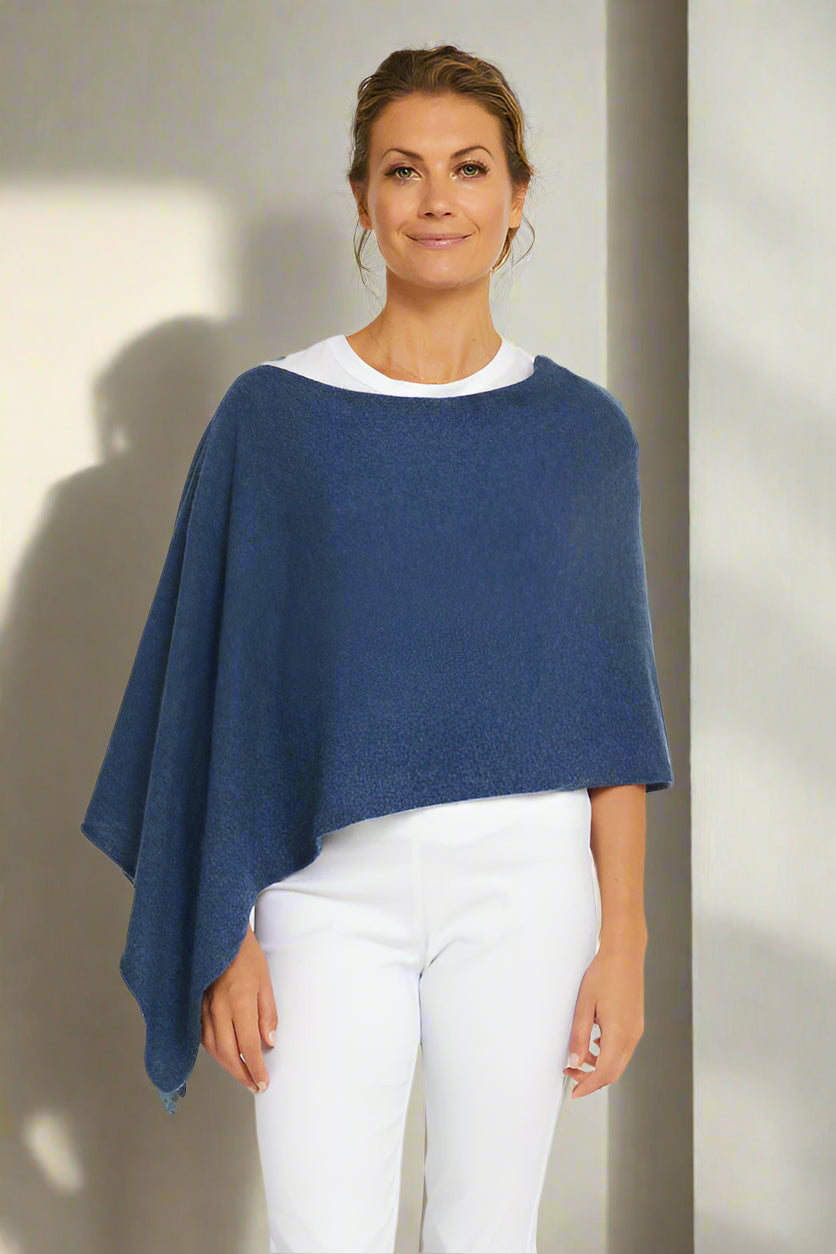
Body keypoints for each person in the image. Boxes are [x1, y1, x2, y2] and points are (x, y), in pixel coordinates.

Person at [193, 45, 672, 1254]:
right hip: (319, 889)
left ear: (516, 194)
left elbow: (610, 711)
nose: (435, 199)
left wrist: (623, 941)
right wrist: (223, 932)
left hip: (525, 888)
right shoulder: (274, 417)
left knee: (487, 1236)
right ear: (362, 198)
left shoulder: (579, 433)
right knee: (319, 1236)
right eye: (402, 170)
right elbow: (225, 695)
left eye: (468, 168)